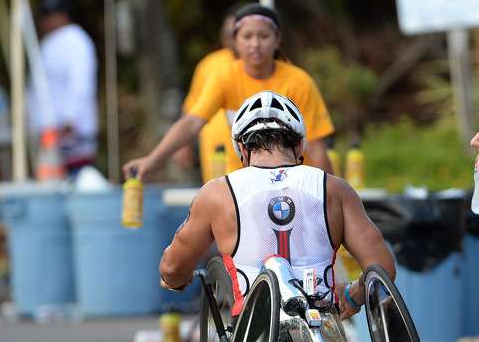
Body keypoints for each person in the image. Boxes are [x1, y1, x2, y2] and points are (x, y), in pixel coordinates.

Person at [158, 91, 395, 323]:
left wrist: (176, 279)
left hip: (255, 338)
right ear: (300, 145)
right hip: (323, 331)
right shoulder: (335, 188)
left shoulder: (216, 193)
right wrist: (353, 296)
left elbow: (172, 268)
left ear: (242, 149)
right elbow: (383, 270)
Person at [124, 3, 334, 182]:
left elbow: (316, 148)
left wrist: (329, 197)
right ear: (235, 41)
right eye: (247, 36)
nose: (255, 44)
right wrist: (152, 161)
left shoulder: (299, 82)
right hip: (240, 185)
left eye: (263, 36)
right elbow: (192, 122)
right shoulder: (223, 78)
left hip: (291, 185)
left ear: (277, 39)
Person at [27, 0, 98, 176]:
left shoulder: (75, 40)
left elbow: (80, 83)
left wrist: (69, 121)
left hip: (69, 133)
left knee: (73, 184)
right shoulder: (50, 42)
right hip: (50, 133)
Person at [172, 5, 238, 181]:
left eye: (236, 34)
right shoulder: (209, 65)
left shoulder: (266, 70)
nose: (231, 40)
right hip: (215, 156)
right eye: (227, 34)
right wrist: (182, 145)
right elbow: (192, 109)